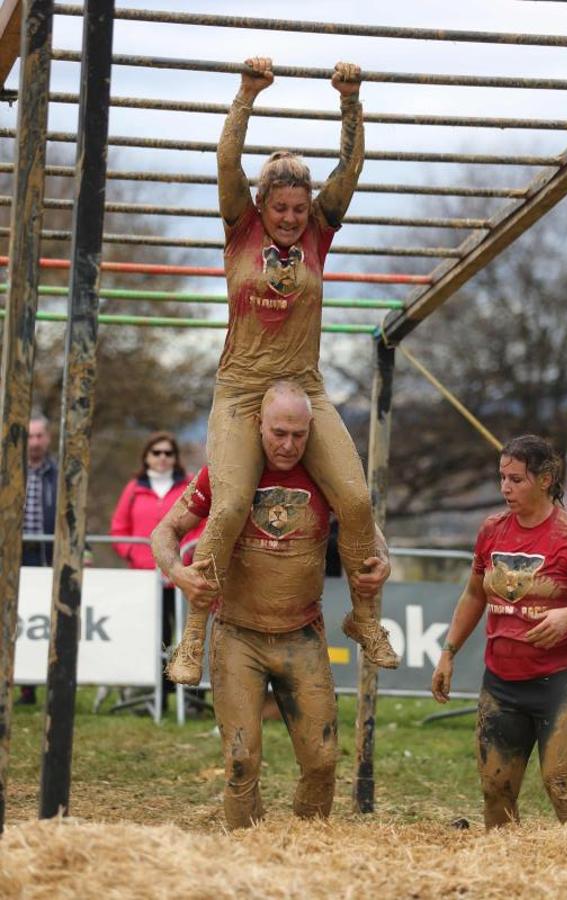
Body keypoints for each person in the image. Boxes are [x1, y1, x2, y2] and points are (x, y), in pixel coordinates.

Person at [168, 56, 397, 685]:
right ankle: (192, 635)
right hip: (241, 390)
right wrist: (247, 94)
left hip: (305, 388)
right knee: (233, 500)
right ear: (262, 204)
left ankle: (365, 617)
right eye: (283, 207)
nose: (293, 217)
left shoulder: (320, 233)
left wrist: (350, 101)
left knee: (354, 498)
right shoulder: (240, 226)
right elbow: (226, 160)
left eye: (300, 207)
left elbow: (350, 170)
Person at [151, 381, 392, 828]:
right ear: (258, 424)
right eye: (278, 432)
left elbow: (368, 529)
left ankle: (306, 847)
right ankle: (247, 850)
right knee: (242, 762)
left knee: (321, 761)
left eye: (299, 435)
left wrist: (384, 562)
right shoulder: (225, 472)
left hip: (302, 635)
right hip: (238, 634)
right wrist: (179, 574)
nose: (288, 445)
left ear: (311, 430)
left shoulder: (324, 474)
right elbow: (163, 533)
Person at [431, 434, 567, 829]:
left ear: (545, 479)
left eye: (516, 479)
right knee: (496, 793)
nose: (505, 487)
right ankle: (505, 877)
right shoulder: (491, 530)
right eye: (502, 478)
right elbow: (474, 595)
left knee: (564, 788)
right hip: (502, 684)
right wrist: (448, 651)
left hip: (564, 682)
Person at [110, 431, 202, 710]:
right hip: (147, 580)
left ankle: (193, 699)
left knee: (188, 637)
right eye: (157, 453)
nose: (162, 458)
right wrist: (134, 553)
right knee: (155, 640)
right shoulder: (134, 488)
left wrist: (188, 556)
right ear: (147, 456)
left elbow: (201, 525)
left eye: (168, 453)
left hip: (183, 577)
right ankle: (157, 698)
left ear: (175, 458)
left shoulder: (189, 487)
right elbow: (118, 529)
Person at [18, 414, 59, 705]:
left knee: (37, 618)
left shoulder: (58, 474)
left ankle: (34, 685)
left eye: (39, 436)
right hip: (12, 553)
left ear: (47, 437)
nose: (34, 442)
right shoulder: (9, 469)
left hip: (44, 554)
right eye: (29, 436)